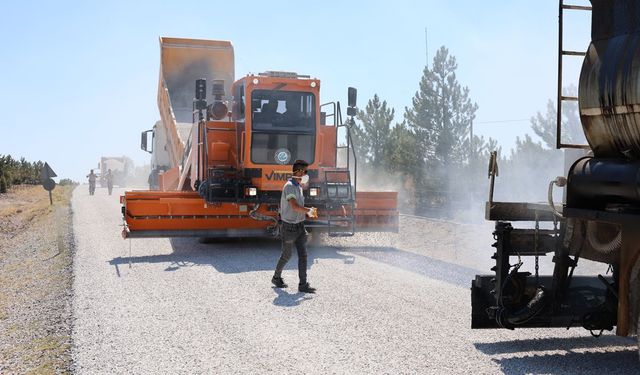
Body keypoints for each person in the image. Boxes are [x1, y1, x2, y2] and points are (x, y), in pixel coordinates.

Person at [272, 159, 317, 293]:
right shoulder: (289, 186)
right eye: (305, 172)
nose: (306, 174)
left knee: (303, 255)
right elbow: (294, 206)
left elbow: (299, 207)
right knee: (286, 255)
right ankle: (276, 277)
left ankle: (303, 285)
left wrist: (307, 212)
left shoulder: (298, 186)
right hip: (289, 227)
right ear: (298, 172)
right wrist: (308, 210)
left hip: (299, 227)